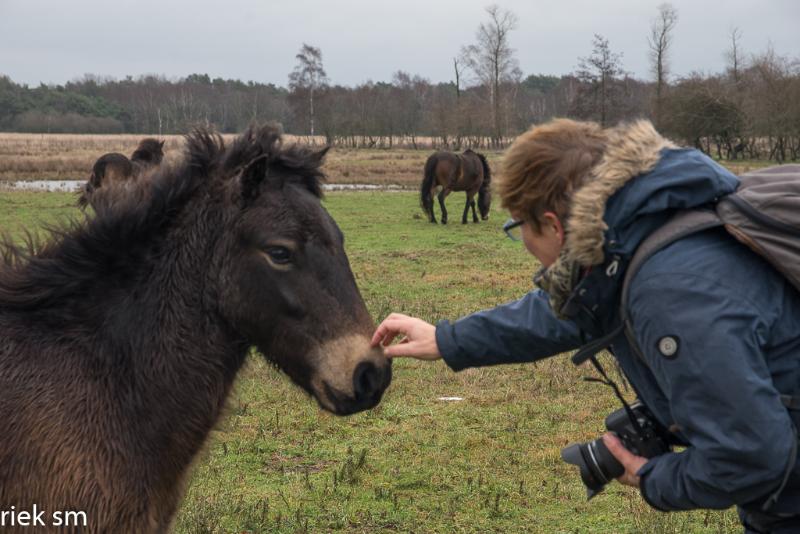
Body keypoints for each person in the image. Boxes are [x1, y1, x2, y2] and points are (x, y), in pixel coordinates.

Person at [371, 119, 800, 533]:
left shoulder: (669, 292)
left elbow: (753, 457)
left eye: (520, 226)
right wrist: (448, 339)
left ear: (555, 227)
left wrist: (653, 477)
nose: (521, 241)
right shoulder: (642, 227)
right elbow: (566, 310)